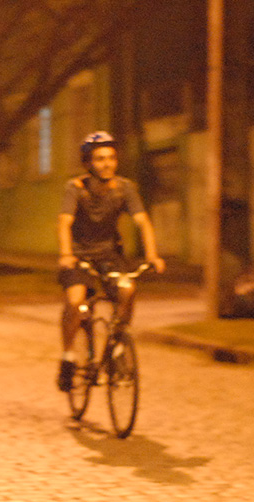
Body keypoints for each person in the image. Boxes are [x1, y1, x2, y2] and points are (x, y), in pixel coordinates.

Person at [56, 131, 166, 392]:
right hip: (78, 255)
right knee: (76, 301)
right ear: (88, 163)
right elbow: (64, 223)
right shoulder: (76, 188)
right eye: (100, 159)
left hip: (109, 255)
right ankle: (68, 357)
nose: (107, 164)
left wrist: (152, 255)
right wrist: (66, 254)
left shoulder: (125, 188)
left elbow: (142, 221)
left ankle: (117, 345)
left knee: (128, 289)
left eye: (111, 158)